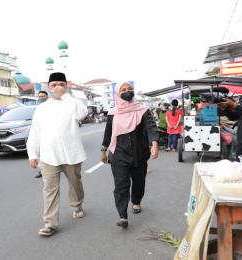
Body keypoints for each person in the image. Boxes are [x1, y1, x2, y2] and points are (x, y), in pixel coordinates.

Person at [27, 72, 88, 237]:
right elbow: (35, 132)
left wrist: (66, 96)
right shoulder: (41, 108)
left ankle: (77, 205)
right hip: (49, 156)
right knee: (49, 190)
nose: (57, 87)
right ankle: (50, 223)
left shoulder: (72, 103)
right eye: (54, 85)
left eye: (61, 84)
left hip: (72, 154)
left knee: (75, 183)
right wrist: (32, 153)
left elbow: (82, 114)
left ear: (66, 86)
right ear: (48, 86)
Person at [100, 82, 158, 229]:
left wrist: (154, 144)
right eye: (123, 89)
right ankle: (123, 216)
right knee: (121, 185)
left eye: (129, 89)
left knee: (139, 182)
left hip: (140, 153)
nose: (127, 91)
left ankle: (136, 201)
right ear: (117, 94)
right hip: (118, 154)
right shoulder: (113, 113)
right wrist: (103, 150)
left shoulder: (143, 110)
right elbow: (108, 133)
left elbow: (151, 127)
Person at [34, 91, 49, 179]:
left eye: (43, 96)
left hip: (51, 134)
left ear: (47, 97)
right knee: (40, 153)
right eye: (40, 96)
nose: (41, 98)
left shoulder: (51, 106)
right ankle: (42, 171)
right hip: (40, 134)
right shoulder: (37, 108)